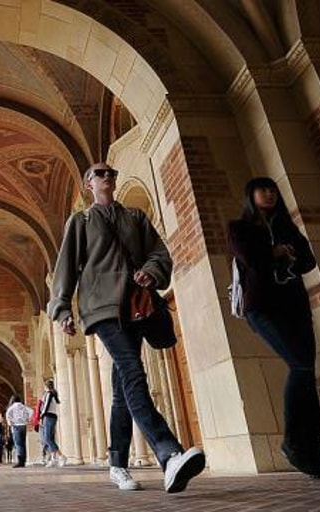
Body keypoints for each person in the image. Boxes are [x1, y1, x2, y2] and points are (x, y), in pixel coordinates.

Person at [47, 162, 205, 493]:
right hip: (101, 308)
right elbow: (65, 268)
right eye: (100, 173)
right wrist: (62, 309)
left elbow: (159, 252)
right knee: (133, 373)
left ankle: (117, 464)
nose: (108, 177)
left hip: (136, 308)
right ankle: (169, 452)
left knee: (122, 389)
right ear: (89, 184)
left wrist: (150, 272)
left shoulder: (135, 217)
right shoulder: (82, 221)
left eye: (112, 173)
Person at [228, 176, 320, 479]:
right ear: (251, 194)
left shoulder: (287, 227)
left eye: (273, 190)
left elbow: (308, 260)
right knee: (299, 366)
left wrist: (289, 254)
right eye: (262, 189)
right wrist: (277, 253)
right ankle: (293, 444)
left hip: (294, 305)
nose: (269, 194)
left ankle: (316, 456)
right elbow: (250, 258)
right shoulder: (240, 228)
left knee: (306, 373)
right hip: (262, 308)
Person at [38, 379, 67, 468]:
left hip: (48, 416)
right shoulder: (53, 394)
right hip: (52, 416)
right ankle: (53, 459)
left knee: (47, 438)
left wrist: (41, 416)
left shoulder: (49, 394)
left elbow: (46, 406)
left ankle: (61, 456)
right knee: (50, 438)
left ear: (46, 386)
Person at [5, 395, 33, 468]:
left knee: (18, 444)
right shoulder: (23, 406)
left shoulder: (12, 407)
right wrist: (27, 419)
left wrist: (10, 423)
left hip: (16, 426)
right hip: (23, 425)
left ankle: (20, 462)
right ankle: (23, 460)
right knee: (23, 443)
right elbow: (32, 411)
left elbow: (7, 415)